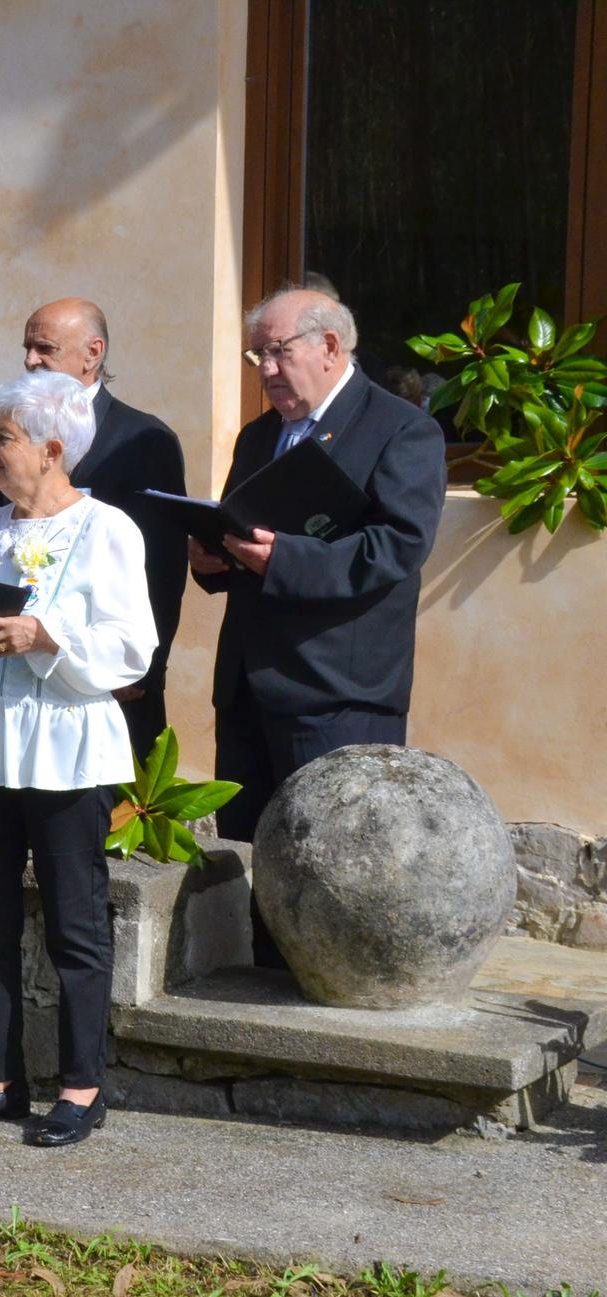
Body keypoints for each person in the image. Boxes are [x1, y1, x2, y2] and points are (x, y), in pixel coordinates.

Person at [0, 371, 156, 1149]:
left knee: (74, 922)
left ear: (53, 449)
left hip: (67, 750)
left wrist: (43, 635)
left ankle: (83, 1086)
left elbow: (132, 649)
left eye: (4, 438)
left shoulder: (108, 529)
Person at [195, 287, 445, 964]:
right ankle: (258, 1010)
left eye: (279, 352)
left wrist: (285, 559)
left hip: (338, 690)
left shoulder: (401, 429)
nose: (267, 370)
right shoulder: (259, 435)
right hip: (250, 681)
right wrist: (212, 555)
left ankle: (319, 1016)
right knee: (257, 860)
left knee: (330, 869)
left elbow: (397, 547)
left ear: (331, 346)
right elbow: (244, 536)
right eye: (258, 357)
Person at [21, 298, 187, 759]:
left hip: (109, 677)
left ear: (92, 354)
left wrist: (143, 670)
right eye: (28, 347)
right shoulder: (18, 435)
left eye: (44, 347)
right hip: (25, 681)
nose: (30, 360)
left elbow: (164, 568)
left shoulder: (143, 439)